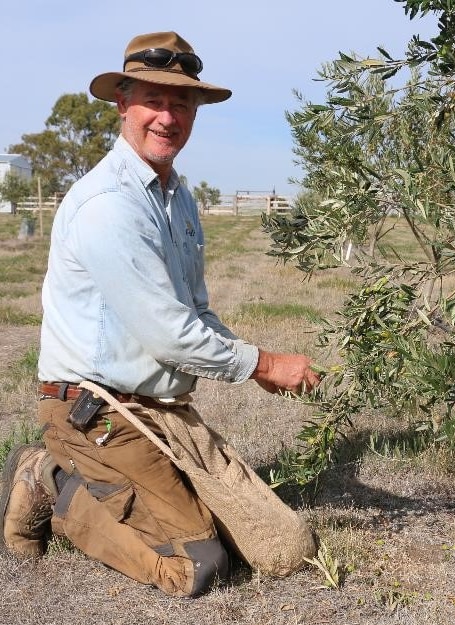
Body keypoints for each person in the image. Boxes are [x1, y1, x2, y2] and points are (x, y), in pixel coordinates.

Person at [0, 31, 320, 597]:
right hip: (96, 411)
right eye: (154, 100)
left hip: (162, 408)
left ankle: (121, 487)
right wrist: (264, 364)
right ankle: (49, 480)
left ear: (194, 112)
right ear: (123, 103)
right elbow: (173, 337)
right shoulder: (109, 206)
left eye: (181, 103)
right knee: (198, 566)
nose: (167, 117)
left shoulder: (176, 196)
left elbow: (195, 311)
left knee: (282, 548)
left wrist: (251, 365)